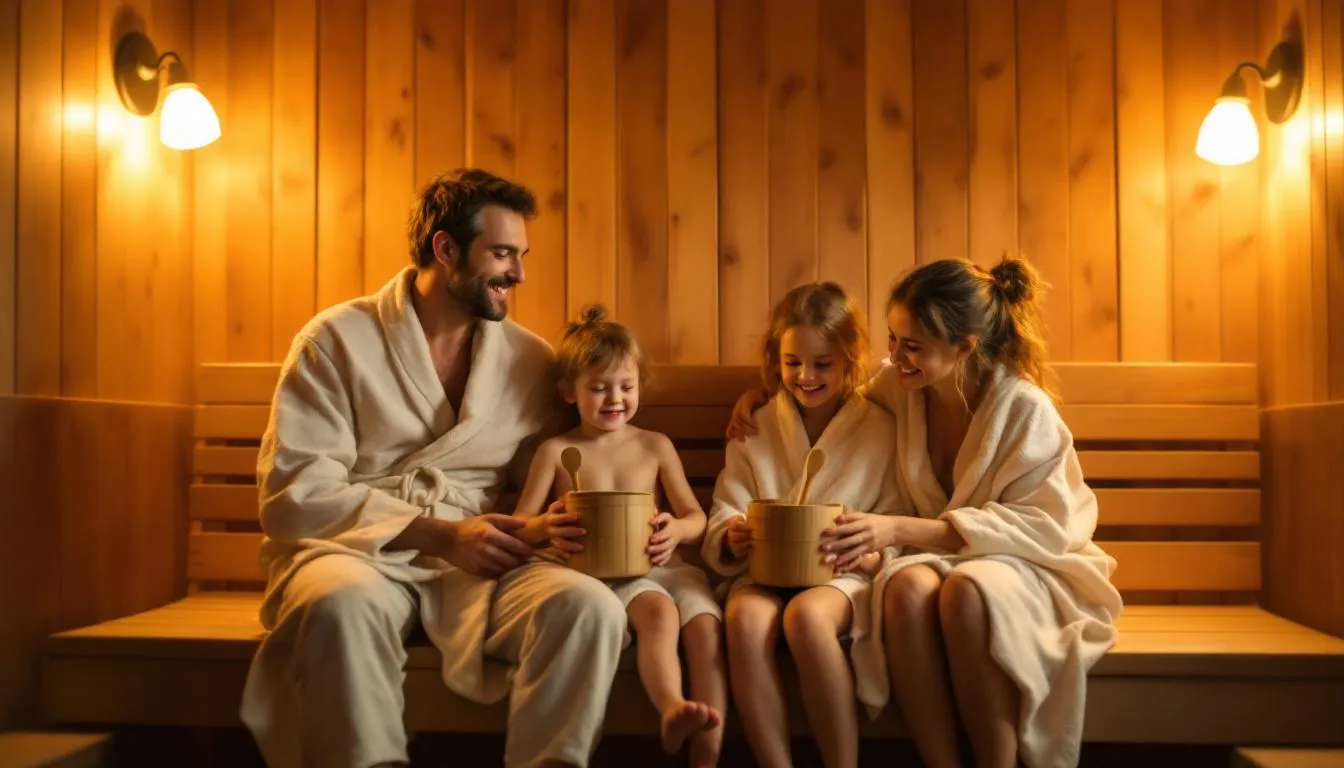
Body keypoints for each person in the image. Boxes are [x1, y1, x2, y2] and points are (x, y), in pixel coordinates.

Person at [239, 168, 628, 768]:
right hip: (358, 551)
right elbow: (294, 492)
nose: (519, 274)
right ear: (446, 249)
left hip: (483, 558)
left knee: (588, 608)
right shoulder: (336, 340)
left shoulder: (528, 360)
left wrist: (760, 401)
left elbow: (562, 467)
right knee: (336, 605)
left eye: (521, 255)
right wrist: (441, 535)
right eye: (502, 253)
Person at [725, 257, 1123, 768]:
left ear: (965, 348)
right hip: (944, 557)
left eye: (912, 347)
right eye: (893, 340)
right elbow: (829, 393)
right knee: (906, 586)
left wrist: (895, 527)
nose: (895, 356)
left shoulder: (1024, 410)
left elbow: (1045, 526)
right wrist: (763, 392)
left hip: (1029, 564)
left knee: (966, 592)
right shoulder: (900, 388)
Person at [512, 305, 727, 767]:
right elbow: (521, 526)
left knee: (705, 625)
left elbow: (695, 516)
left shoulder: (654, 446)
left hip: (662, 564)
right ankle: (671, 705)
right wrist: (546, 527)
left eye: (626, 386)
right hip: (595, 571)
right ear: (568, 391)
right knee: (659, 614)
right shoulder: (555, 451)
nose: (615, 398)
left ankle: (707, 751)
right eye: (599, 387)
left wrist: (676, 529)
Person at [702, 282, 905, 768]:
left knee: (807, 619)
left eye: (822, 363)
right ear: (777, 358)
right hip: (764, 570)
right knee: (744, 620)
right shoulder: (755, 426)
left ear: (849, 356)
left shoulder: (879, 429)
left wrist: (871, 550)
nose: (806, 375)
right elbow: (728, 505)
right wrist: (731, 535)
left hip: (840, 576)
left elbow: (895, 517)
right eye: (793, 362)